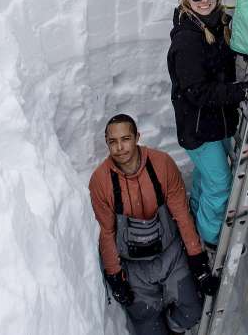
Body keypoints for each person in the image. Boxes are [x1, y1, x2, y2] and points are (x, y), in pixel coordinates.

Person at [166, 0, 248, 247]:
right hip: (200, 130)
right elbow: (198, 92)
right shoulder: (187, 40)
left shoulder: (217, 24)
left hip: (217, 124)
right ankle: (209, 241)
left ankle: (195, 218)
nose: (205, 0)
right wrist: (247, 89)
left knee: (205, 179)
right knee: (220, 186)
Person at [89, 114, 217, 334]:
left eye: (125, 139)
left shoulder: (162, 164)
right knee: (147, 326)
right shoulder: (101, 181)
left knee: (192, 312)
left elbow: (182, 215)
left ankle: (174, 328)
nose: (120, 147)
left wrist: (197, 260)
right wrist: (115, 276)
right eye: (113, 142)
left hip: (171, 255)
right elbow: (106, 232)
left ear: (137, 137)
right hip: (134, 268)